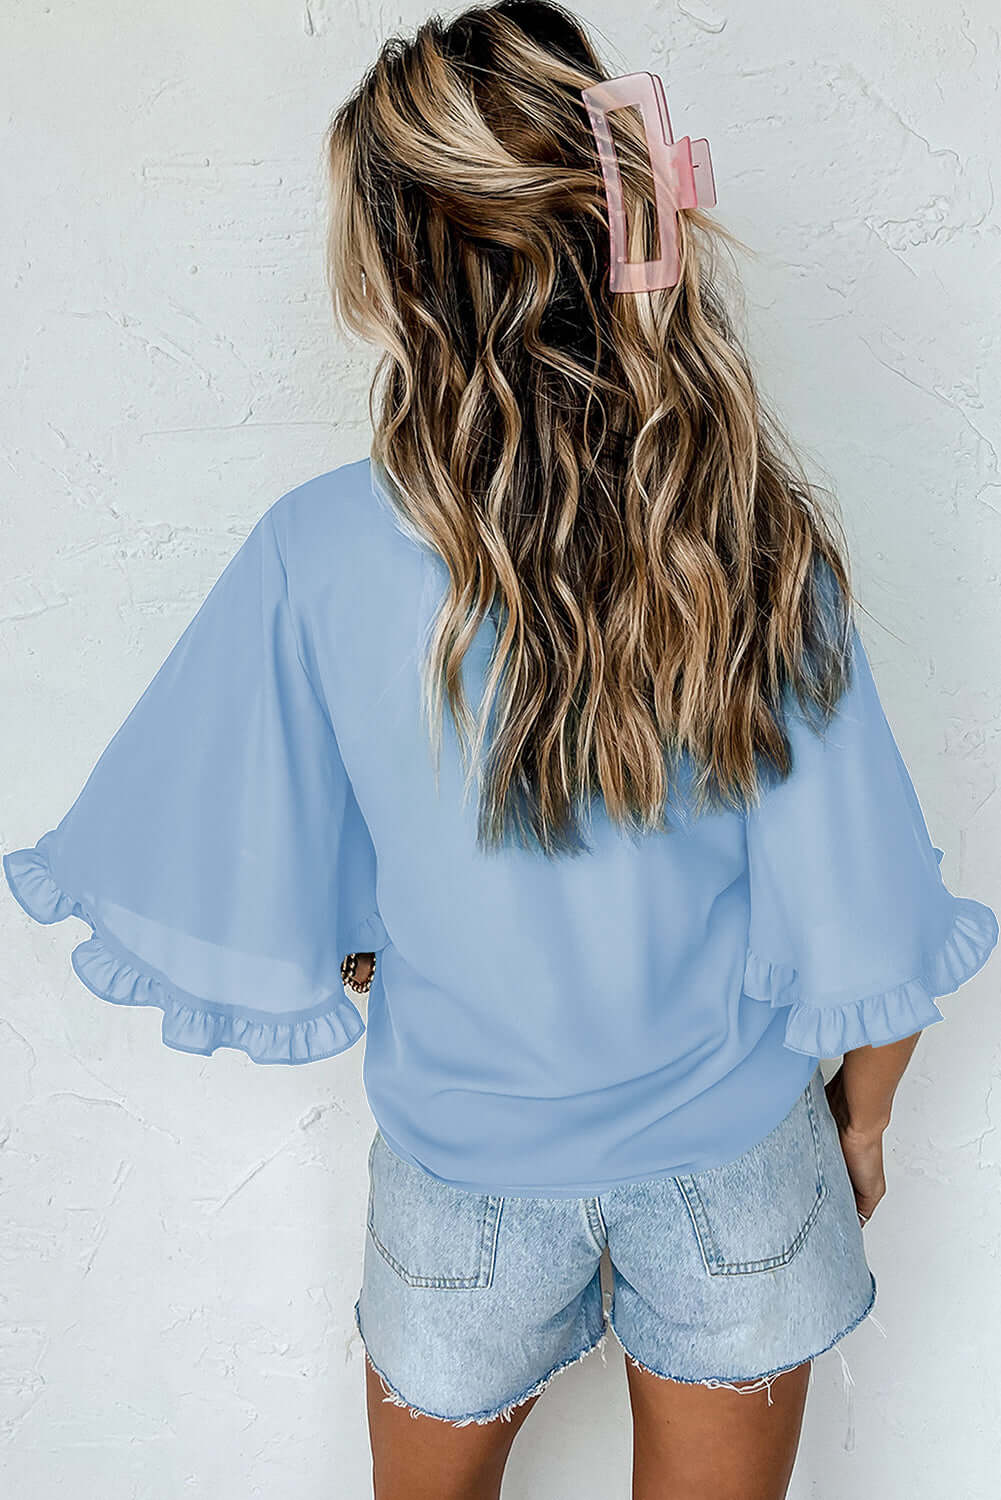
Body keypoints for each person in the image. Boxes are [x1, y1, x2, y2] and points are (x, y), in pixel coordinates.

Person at [4, 3, 998, 1497]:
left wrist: (379, 952)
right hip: (736, 1160)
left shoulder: (316, 550)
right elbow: (863, 911)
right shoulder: (746, 537)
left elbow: (229, 841)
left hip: (461, 1181)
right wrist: (861, 1125)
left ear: (397, 269)